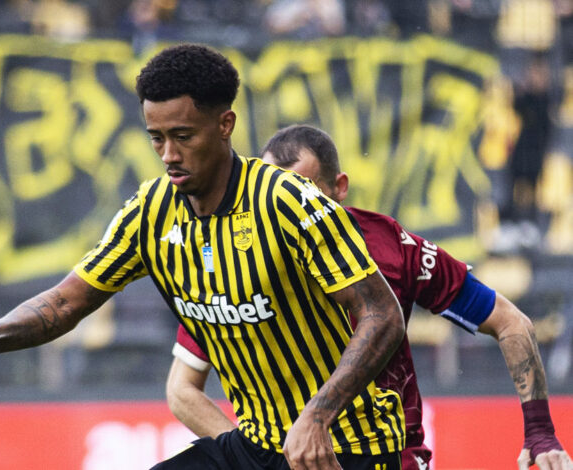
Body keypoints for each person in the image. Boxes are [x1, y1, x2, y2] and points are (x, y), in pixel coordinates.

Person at [0, 44, 408, 469]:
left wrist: (317, 416)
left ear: (225, 125)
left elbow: (383, 314)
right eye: (156, 138)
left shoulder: (286, 201)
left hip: (345, 447)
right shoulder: (150, 211)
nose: (168, 154)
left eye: (183, 136)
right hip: (255, 444)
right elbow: (67, 302)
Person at [166, 124, 573, 470]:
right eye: (276, 195)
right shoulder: (233, 261)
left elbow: (509, 320)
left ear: (339, 188)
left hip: (387, 456)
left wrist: (539, 431)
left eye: (303, 192)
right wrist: (261, 459)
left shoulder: (390, 247)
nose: (291, 208)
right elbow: (182, 388)